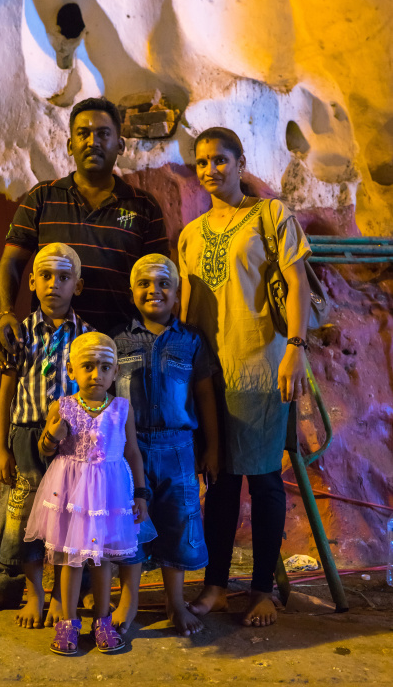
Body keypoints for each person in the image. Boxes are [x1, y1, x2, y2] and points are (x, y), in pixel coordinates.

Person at [178, 127, 311, 627]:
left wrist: (295, 349)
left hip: (261, 364)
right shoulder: (190, 234)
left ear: (241, 163)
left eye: (220, 160)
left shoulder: (271, 216)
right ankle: (215, 585)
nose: (211, 169)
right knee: (221, 481)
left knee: (264, 479)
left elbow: (295, 283)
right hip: (211, 374)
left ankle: (261, 591)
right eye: (203, 162)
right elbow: (189, 307)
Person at [0, 243, 94, 624]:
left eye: (64, 277)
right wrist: (1, 447)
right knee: (20, 515)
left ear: (77, 287)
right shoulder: (19, 335)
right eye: (46, 277)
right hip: (25, 437)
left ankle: (64, 594)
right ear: (31, 282)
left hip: (72, 440)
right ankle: (18, 588)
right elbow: (6, 391)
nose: (54, 285)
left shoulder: (87, 338)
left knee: (69, 516)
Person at [0, 95, 169, 371]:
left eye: (103, 134)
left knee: (119, 416)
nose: (92, 142)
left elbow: (159, 278)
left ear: (120, 145)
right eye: (83, 134)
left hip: (120, 353)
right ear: (70, 145)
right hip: (50, 351)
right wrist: (5, 314)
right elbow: (11, 262)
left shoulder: (144, 206)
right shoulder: (42, 198)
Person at [24, 332, 153, 655]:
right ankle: (67, 621)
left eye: (105, 367)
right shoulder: (64, 405)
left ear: (116, 373)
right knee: (71, 559)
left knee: (103, 560)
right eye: (88, 366)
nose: (97, 374)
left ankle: (102, 620)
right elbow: (45, 449)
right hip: (72, 493)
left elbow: (133, 452)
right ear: (71, 370)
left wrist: (140, 493)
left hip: (110, 495)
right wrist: (53, 436)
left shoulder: (122, 408)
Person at [110, 254, 219, 636]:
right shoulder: (118, 341)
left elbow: (205, 395)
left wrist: (213, 447)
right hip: (129, 449)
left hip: (179, 449)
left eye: (163, 284)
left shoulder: (191, 341)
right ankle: (130, 599)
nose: (153, 290)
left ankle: (175, 602)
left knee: (178, 521)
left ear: (176, 296)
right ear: (131, 293)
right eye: (144, 283)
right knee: (131, 523)